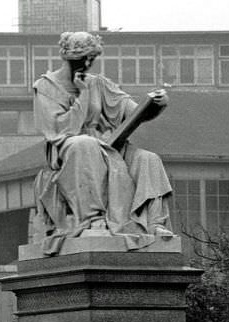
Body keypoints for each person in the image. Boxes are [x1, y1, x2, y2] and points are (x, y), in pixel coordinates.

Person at [33, 31, 175, 254]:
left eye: (92, 58)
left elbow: (134, 113)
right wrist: (81, 97)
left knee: (148, 158)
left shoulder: (98, 84)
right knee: (83, 144)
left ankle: (153, 224)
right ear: (66, 57)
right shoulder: (46, 86)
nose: (87, 64)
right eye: (81, 58)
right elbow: (59, 130)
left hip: (108, 145)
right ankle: (92, 219)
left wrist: (157, 104)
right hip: (66, 147)